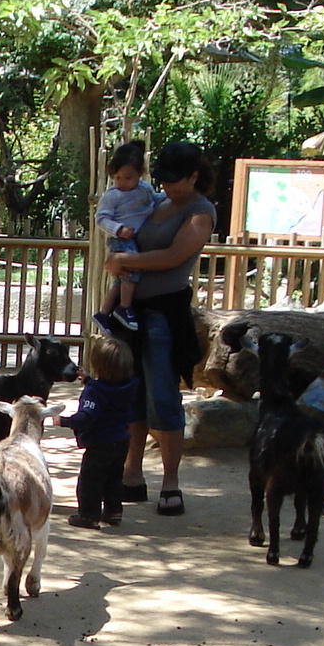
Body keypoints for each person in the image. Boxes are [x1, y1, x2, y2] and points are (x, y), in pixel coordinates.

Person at [104, 140, 217, 517]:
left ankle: (171, 481)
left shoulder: (201, 211)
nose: (166, 186)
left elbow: (174, 256)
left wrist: (125, 260)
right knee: (131, 393)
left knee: (163, 397)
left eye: (174, 180)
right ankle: (132, 471)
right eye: (163, 179)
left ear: (194, 176)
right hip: (131, 313)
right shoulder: (154, 202)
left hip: (165, 315)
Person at [59, 332, 138, 528]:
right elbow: (109, 391)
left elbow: (86, 417)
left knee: (90, 480)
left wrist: (63, 421)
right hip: (122, 441)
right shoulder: (130, 386)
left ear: (97, 366)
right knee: (114, 478)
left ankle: (88, 516)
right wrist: (88, 380)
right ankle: (113, 511)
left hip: (100, 443)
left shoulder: (94, 392)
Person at [95, 140, 160, 331]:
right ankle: (124, 307)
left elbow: (155, 200)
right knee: (131, 272)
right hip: (121, 240)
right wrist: (118, 229)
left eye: (128, 177)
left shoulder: (145, 189)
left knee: (120, 280)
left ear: (140, 173)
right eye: (117, 177)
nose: (122, 182)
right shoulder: (112, 196)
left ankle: (103, 312)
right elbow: (101, 219)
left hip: (135, 239)